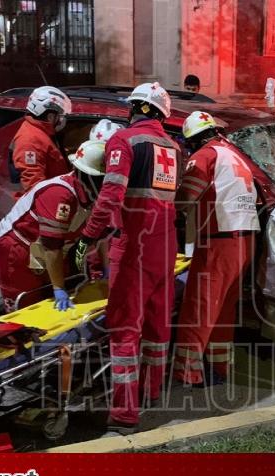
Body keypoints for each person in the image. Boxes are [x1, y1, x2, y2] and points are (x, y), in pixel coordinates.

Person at [77, 82, 180, 435]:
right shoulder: (172, 146)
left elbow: (111, 192)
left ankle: (123, 414)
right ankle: (151, 392)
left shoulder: (124, 141)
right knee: (156, 326)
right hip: (165, 246)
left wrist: (90, 234)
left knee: (124, 331)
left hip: (134, 244)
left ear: (136, 108)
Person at [0, 119, 121, 312]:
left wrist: (106, 269)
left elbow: (99, 236)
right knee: (28, 308)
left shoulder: (90, 194)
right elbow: (51, 247)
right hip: (16, 249)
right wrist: (58, 288)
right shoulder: (59, 194)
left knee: (63, 300)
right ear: (88, 176)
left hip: (50, 249)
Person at [172, 111, 260, 386]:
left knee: (198, 308)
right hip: (245, 240)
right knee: (223, 310)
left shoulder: (204, 156)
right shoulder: (234, 154)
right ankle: (219, 368)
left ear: (193, 140)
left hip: (219, 241)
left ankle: (188, 372)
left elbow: (186, 198)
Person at [9, 86, 72, 192]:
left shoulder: (42, 133)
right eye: (60, 115)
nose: (62, 120)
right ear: (50, 117)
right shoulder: (30, 141)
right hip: (45, 202)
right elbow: (34, 186)